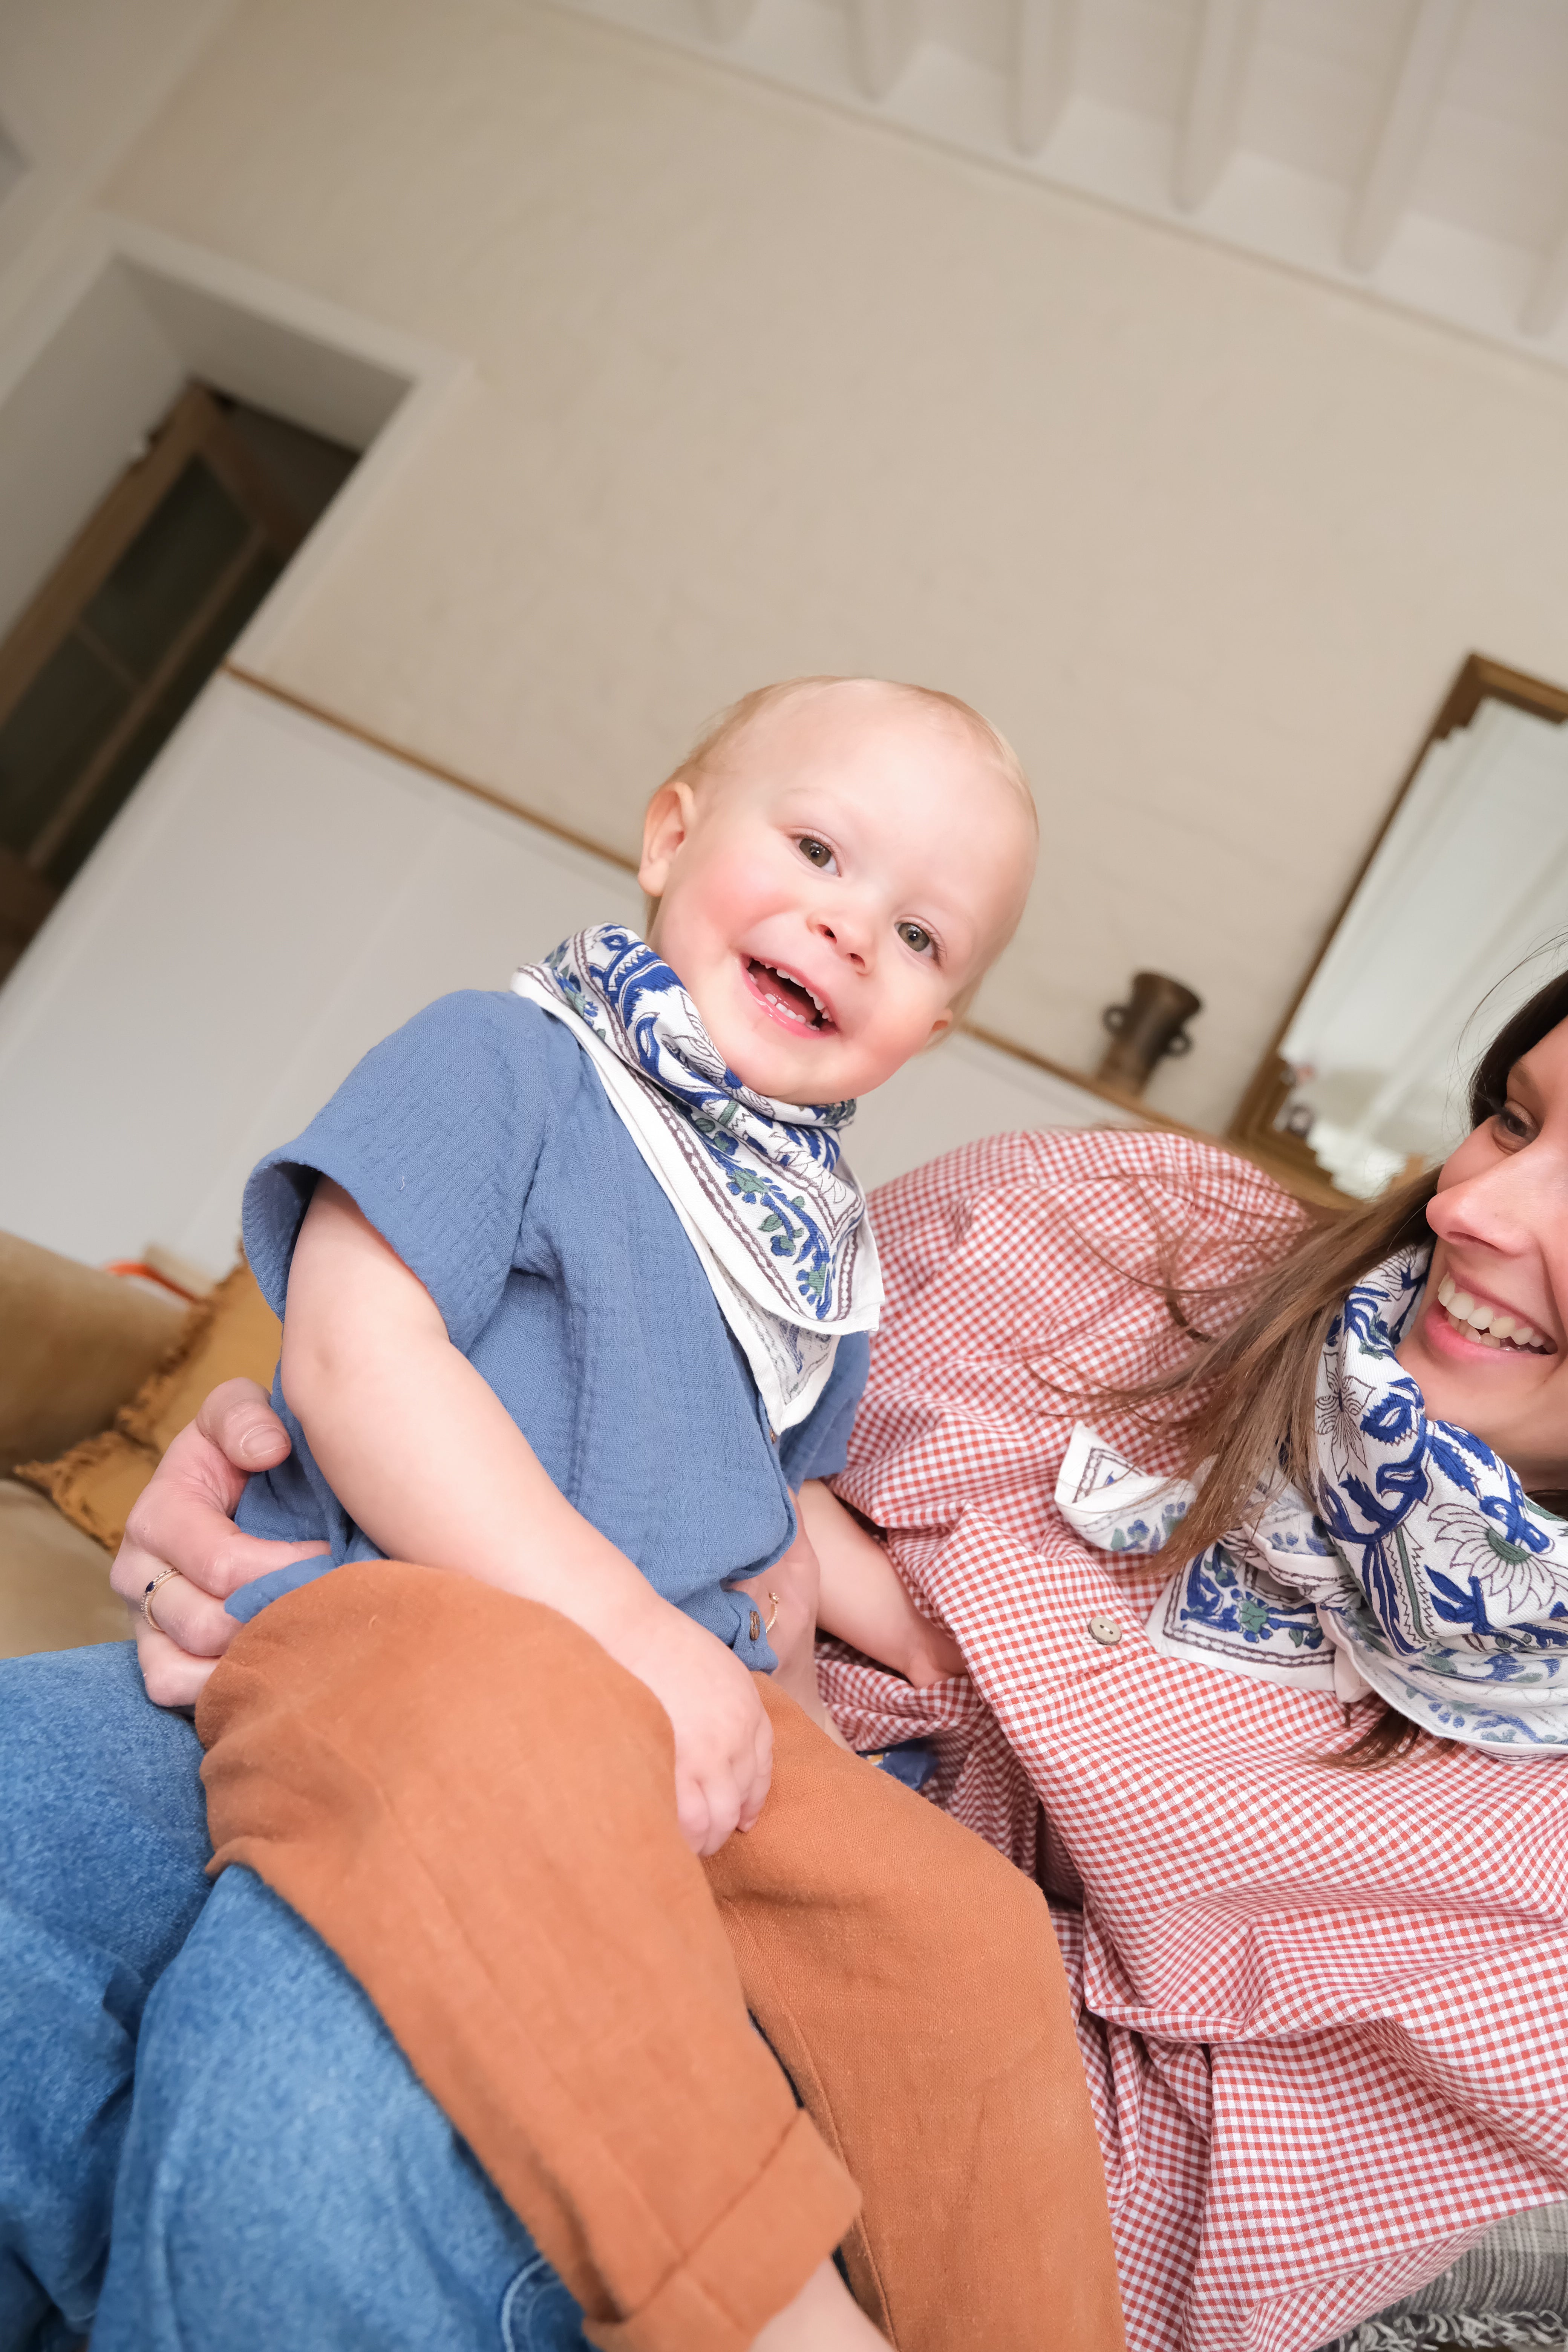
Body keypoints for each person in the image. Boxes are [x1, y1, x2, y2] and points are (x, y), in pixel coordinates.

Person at [110, 962, 1568, 2350]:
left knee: (306, 2120)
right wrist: (335, 1468)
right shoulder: (1120, 1222)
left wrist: (845, 1659)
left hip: (804, 2067)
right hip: (493, 1669)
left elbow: (1105, 2236)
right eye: (1515, 1115)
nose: (1475, 1205)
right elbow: (605, 1380)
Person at [0, 679, 1124, 2352]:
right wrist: (613, 1625)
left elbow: (768, 1536)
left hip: (693, 1703)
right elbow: (358, 1351)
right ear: (672, 833)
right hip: (439, 1636)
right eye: (813, 847)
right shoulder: (508, 1061)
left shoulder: (811, 1254)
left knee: (965, 1938)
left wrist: (797, 1746)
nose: (844, 922)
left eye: (917, 936)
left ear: (934, 1028)